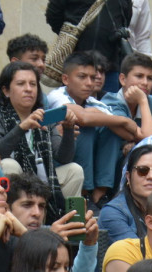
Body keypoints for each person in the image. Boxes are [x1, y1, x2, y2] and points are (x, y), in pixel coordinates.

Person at [0, 61, 83, 213]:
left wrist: (68, 129)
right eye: (21, 84)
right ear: (6, 90)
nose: (28, 89)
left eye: (33, 84)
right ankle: (11, 220)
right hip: (9, 186)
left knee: (74, 170)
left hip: (41, 180)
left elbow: (64, 158)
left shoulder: (43, 117)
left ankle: (69, 222)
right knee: (9, 165)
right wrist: (22, 128)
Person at [47, 51, 139, 205]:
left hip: (86, 166)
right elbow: (82, 118)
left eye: (92, 77)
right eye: (82, 77)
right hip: (58, 163)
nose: (89, 83)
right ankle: (84, 193)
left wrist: (118, 123)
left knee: (110, 129)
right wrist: (124, 120)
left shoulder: (96, 103)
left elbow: (130, 134)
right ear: (65, 79)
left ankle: (99, 194)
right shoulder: (55, 96)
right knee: (84, 127)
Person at [100, 53, 152, 161]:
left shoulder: (151, 101)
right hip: (111, 166)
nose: (145, 83)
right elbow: (149, 140)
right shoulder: (111, 102)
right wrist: (143, 101)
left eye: (150, 78)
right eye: (139, 76)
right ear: (122, 79)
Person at [100, 145, 152, 244]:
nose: (151, 176)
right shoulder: (112, 213)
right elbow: (138, 254)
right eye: (142, 170)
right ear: (128, 177)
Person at [0, 33, 49, 118]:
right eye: (34, 59)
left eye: (43, 60)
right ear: (15, 62)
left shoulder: (42, 96)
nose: (41, 64)